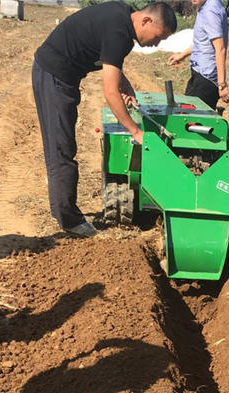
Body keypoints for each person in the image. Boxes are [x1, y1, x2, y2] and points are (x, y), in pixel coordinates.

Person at [32, 2, 177, 237]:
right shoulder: (119, 32)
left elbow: (107, 56)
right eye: (158, 37)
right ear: (146, 21)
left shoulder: (123, 17)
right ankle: (69, 220)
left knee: (63, 146)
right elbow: (110, 93)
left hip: (60, 74)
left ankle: (64, 211)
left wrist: (124, 84)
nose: (156, 44)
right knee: (61, 148)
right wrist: (135, 131)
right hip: (54, 75)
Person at [167, 0, 229, 111]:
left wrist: (222, 84)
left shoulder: (210, 11)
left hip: (206, 78)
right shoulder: (207, 6)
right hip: (201, 74)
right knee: (189, 114)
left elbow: (220, 48)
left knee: (190, 116)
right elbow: (203, 43)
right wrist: (182, 55)